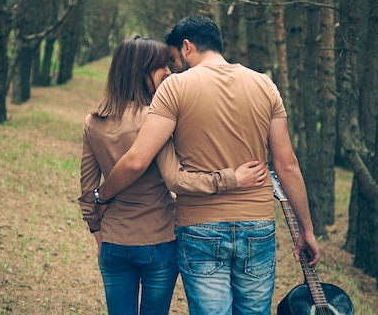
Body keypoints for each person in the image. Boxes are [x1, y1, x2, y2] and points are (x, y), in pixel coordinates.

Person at [95, 17, 320, 315]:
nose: (174, 67)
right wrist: (306, 230)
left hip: (200, 226)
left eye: (174, 58)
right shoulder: (265, 85)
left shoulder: (175, 87)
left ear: (187, 47)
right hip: (257, 225)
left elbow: (138, 159)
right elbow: (287, 165)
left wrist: (102, 196)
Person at [78, 36, 266, 315]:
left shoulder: (93, 121)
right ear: (140, 72)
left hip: (113, 244)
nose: (168, 72)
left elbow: (87, 191)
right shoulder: (157, 120)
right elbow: (176, 179)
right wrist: (231, 179)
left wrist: (98, 235)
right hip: (159, 242)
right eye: (160, 67)